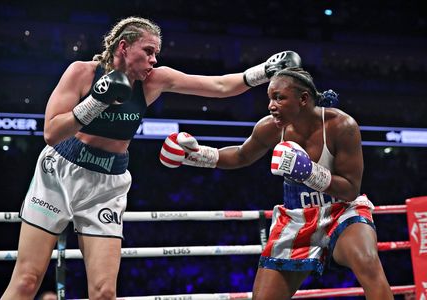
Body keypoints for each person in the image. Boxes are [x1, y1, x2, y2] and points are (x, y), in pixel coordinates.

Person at [1, 16, 301, 300]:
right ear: (123, 46)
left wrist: (266, 70)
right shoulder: (82, 72)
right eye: (148, 51)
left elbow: (220, 86)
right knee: (27, 281)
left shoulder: (153, 80)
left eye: (156, 53)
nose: (154, 59)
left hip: (107, 184)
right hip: (59, 174)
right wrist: (97, 100)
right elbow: (51, 133)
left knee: (105, 292)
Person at [160, 67, 394, 299]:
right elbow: (241, 155)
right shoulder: (270, 127)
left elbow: (351, 189)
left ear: (303, 99)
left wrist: (310, 172)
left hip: (342, 212)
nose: (271, 105)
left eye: (279, 98)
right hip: (296, 217)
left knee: (367, 262)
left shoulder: (341, 126)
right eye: (270, 98)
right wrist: (195, 155)